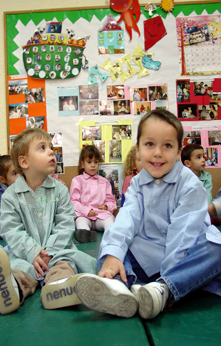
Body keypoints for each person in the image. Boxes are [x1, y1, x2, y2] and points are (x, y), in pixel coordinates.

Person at [74, 109, 221, 320]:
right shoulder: (137, 183)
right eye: (150, 144)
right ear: (139, 149)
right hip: (146, 257)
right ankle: (118, 288)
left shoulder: (190, 185)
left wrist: (169, 275)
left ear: (179, 151)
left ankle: (163, 290)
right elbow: (127, 219)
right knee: (112, 243)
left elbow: (183, 235)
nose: (157, 153)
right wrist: (114, 254)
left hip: (183, 258)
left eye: (167, 146)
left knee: (216, 248)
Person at [0, 128, 96, 315]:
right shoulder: (10, 197)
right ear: (24, 162)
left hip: (57, 253)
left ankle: (60, 288)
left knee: (64, 266)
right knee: (19, 270)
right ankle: (12, 290)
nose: (51, 152)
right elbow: (11, 229)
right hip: (24, 256)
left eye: (51, 147)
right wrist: (32, 251)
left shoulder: (60, 190)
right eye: (42, 148)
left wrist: (49, 252)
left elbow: (65, 223)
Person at [70, 145, 116, 244]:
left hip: (101, 215)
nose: (93, 165)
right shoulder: (77, 181)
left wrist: (106, 206)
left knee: (109, 221)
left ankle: (111, 235)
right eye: (89, 162)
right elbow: (73, 202)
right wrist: (86, 211)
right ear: (82, 164)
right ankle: (85, 234)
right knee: (80, 222)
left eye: (96, 162)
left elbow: (112, 201)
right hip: (84, 215)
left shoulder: (105, 182)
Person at [0, 155, 19, 252]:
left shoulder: (18, 190)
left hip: (13, 231)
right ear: (2, 179)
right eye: (14, 173)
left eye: (19, 172)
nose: (19, 176)